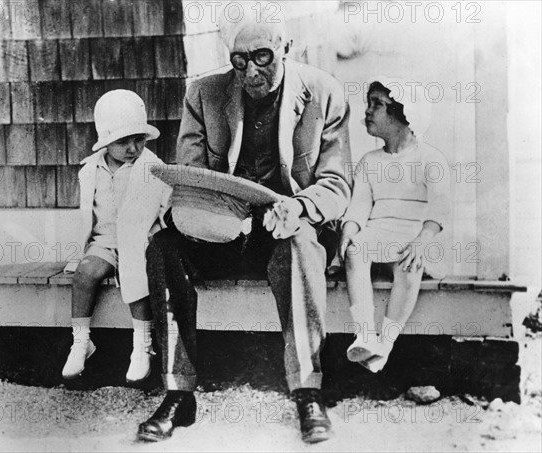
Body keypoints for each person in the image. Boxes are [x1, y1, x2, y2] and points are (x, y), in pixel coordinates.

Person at [136, 4, 352, 444]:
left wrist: (300, 207)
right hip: (225, 228)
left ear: (286, 48)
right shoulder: (204, 94)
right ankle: (179, 392)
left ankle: (307, 389)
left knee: (299, 244)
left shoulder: (325, 93)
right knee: (162, 249)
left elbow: (336, 185)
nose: (249, 71)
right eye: (238, 60)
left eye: (261, 58)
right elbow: (192, 178)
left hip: (290, 227)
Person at [339, 78, 450, 373]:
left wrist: (423, 239)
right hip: (379, 230)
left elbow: (440, 207)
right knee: (355, 252)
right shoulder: (369, 161)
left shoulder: (429, 158)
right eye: (369, 102)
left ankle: (385, 344)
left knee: (408, 265)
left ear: (403, 114)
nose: (368, 110)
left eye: (378, 104)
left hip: (415, 232)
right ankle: (364, 335)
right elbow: (360, 205)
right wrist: (350, 229)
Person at [62, 90, 171, 383]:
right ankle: (81, 342)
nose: (133, 148)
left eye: (139, 139)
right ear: (106, 142)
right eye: (123, 141)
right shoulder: (91, 170)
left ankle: (142, 345)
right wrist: (79, 251)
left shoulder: (152, 168)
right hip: (106, 241)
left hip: (140, 239)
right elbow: (89, 215)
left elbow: (163, 210)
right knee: (85, 273)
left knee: (136, 273)